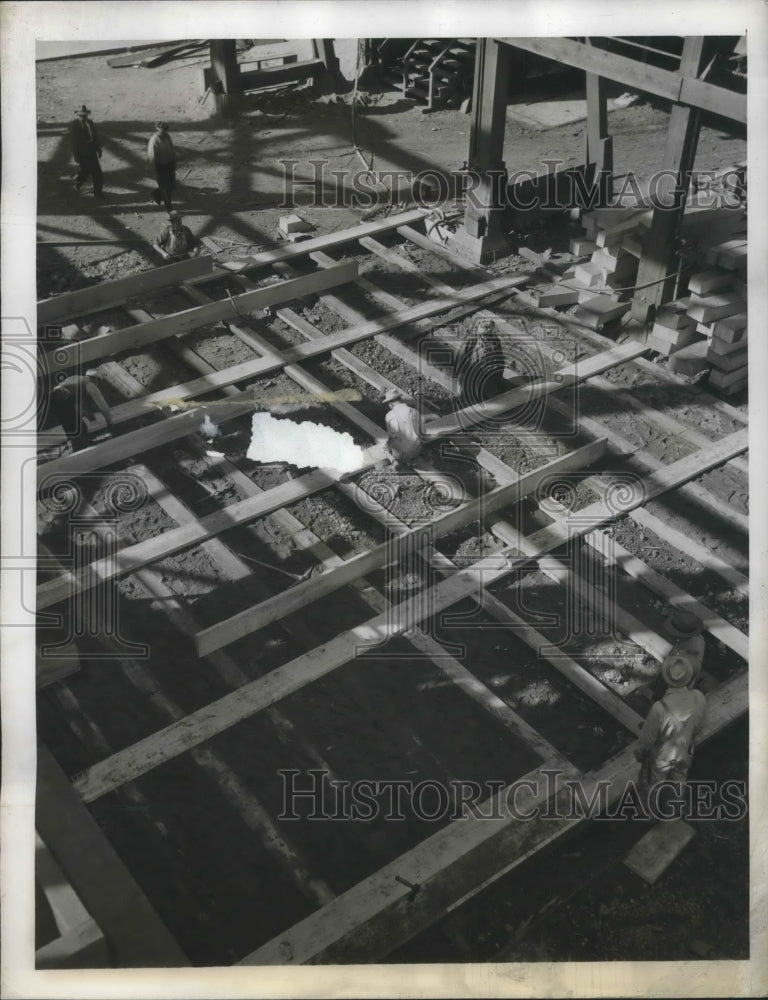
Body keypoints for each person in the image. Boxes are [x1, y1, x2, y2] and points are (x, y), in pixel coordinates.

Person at [634, 653, 707, 820]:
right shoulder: (698, 697)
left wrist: (640, 753)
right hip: (686, 751)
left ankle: (649, 815)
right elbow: (699, 725)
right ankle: (672, 813)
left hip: (663, 756)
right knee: (679, 781)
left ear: (667, 679)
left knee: (653, 785)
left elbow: (647, 739)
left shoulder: (659, 708)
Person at [49, 371, 113, 451]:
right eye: (98, 381)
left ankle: (76, 445)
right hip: (61, 399)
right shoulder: (89, 383)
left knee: (70, 424)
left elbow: (76, 401)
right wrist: (109, 422)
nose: (97, 384)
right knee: (79, 426)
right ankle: (81, 446)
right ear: (95, 379)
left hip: (52, 400)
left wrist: (87, 414)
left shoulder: (77, 379)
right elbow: (102, 404)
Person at [454, 317, 506, 407]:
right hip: (473, 372)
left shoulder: (495, 341)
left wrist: (499, 374)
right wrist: (459, 373)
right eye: (483, 334)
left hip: (488, 374)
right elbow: (462, 356)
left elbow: (500, 358)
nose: (485, 336)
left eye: (488, 334)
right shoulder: (473, 339)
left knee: (487, 393)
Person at [68, 104, 103, 197]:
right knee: (85, 171)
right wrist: (76, 156)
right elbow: (73, 142)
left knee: (97, 173)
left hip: (91, 150)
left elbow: (94, 137)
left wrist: (99, 150)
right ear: (78, 115)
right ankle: (78, 182)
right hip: (82, 152)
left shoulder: (90, 123)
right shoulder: (74, 125)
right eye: (81, 115)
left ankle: (98, 193)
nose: (84, 117)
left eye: (85, 115)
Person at [664, 607, 705, 684]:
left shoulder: (690, 651)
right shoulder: (693, 637)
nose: (672, 633)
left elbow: (681, 678)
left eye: (674, 632)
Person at [384, 388, 422, 468]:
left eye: (388, 404)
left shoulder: (389, 416)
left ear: (391, 403)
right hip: (417, 450)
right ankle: (413, 459)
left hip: (400, 454)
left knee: (386, 447)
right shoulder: (414, 411)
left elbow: (391, 436)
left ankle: (394, 461)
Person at [147, 122, 176, 211]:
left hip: (169, 165)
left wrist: (174, 163)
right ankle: (169, 206)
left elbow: (172, 149)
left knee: (171, 185)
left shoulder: (167, 137)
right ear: (157, 129)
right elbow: (151, 157)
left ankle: (156, 194)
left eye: (165, 130)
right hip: (161, 166)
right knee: (165, 188)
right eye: (162, 130)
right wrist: (154, 170)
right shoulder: (154, 140)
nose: (163, 131)